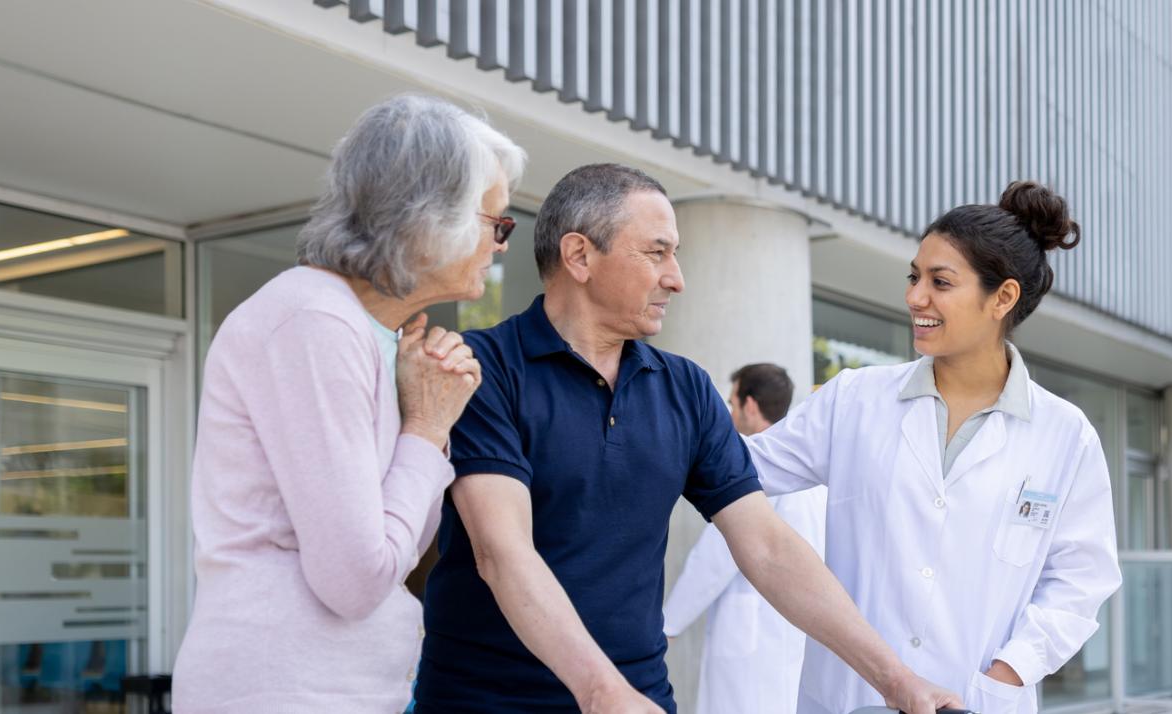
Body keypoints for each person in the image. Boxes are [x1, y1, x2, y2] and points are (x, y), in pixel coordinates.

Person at [412, 163, 958, 713]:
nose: (676, 277)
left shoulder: (686, 389)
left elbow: (766, 547)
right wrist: (603, 695)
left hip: (641, 697)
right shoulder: (483, 368)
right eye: (656, 252)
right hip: (487, 700)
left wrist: (895, 681)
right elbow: (502, 553)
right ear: (579, 256)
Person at [173, 94, 525, 712]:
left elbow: (396, 549)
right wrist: (427, 425)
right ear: (429, 219)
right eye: (496, 222)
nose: (500, 245)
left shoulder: (362, 331)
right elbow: (356, 580)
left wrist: (428, 425)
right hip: (285, 689)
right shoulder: (313, 321)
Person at [746, 181, 1124, 714]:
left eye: (940, 282)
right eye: (914, 276)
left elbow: (1082, 579)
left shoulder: (1065, 434)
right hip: (852, 696)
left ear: (1004, 297)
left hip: (976, 697)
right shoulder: (855, 399)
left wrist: (1008, 672)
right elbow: (742, 469)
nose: (914, 297)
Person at [662, 363, 828, 714]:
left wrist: (668, 624)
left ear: (750, 406)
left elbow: (715, 559)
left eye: (732, 403)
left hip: (753, 636)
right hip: (799, 633)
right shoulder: (812, 473)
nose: (731, 413)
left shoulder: (751, 467)